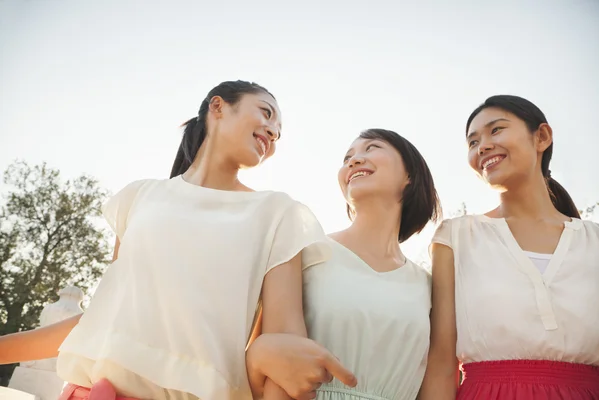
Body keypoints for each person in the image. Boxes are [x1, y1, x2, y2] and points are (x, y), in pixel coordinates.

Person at [0, 80, 354, 399]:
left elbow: (286, 346)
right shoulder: (139, 197)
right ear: (218, 106)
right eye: (266, 113)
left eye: (278, 131)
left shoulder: (278, 213)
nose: (273, 132)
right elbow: (100, 320)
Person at [420, 95, 599, 399]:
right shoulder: (456, 236)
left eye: (496, 130)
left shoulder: (594, 240)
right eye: (473, 142)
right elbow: (441, 362)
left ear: (541, 137)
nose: (483, 146)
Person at [246, 129, 441, 400]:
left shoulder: (428, 285)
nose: (354, 160)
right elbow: (260, 368)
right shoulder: (303, 252)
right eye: (348, 156)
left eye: (372, 148)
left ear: (409, 174)